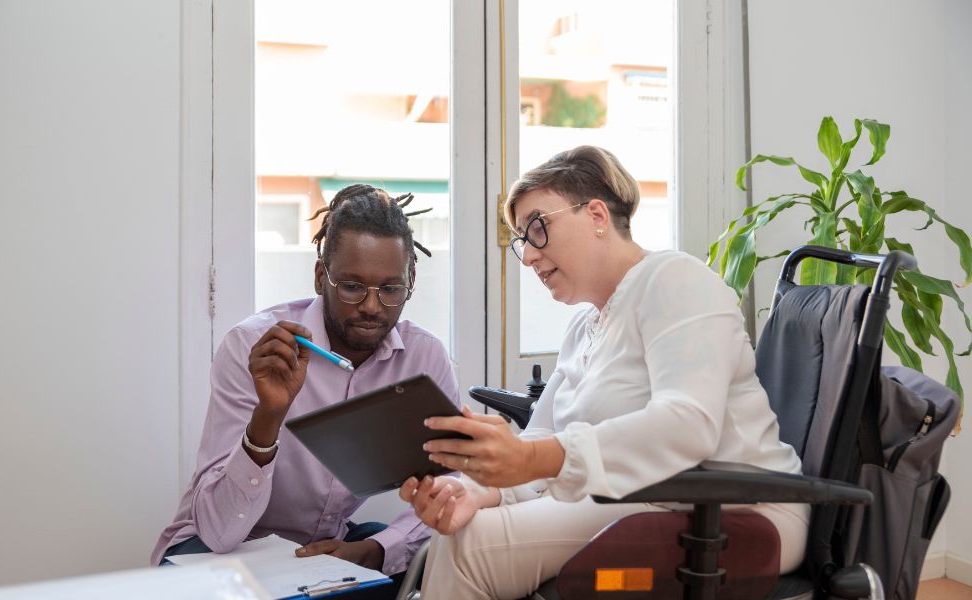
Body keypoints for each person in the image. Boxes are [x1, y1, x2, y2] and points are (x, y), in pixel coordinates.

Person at [400, 145, 810, 599]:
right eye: (522, 240)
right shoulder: (584, 327)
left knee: (471, 548)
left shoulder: (676, 281)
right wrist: (481, 490)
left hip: (735, 510)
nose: (529, 257)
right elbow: (543, 435)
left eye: (537, 228)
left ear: (596, 214)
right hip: (643, 498)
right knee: (462, 526)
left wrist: (531, 462)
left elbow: (688, 426)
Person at [152, 185, 459, 595]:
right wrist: (269, 416)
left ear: (411, 281)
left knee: (427, 557)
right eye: (352, 286)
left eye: (390, 289)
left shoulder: (423, 357)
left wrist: (374, 549)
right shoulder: (256, 348)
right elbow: (219, 531)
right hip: (213, 546)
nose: (372, 306)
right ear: (321, 278)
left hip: (322, 548)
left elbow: (453, 482)